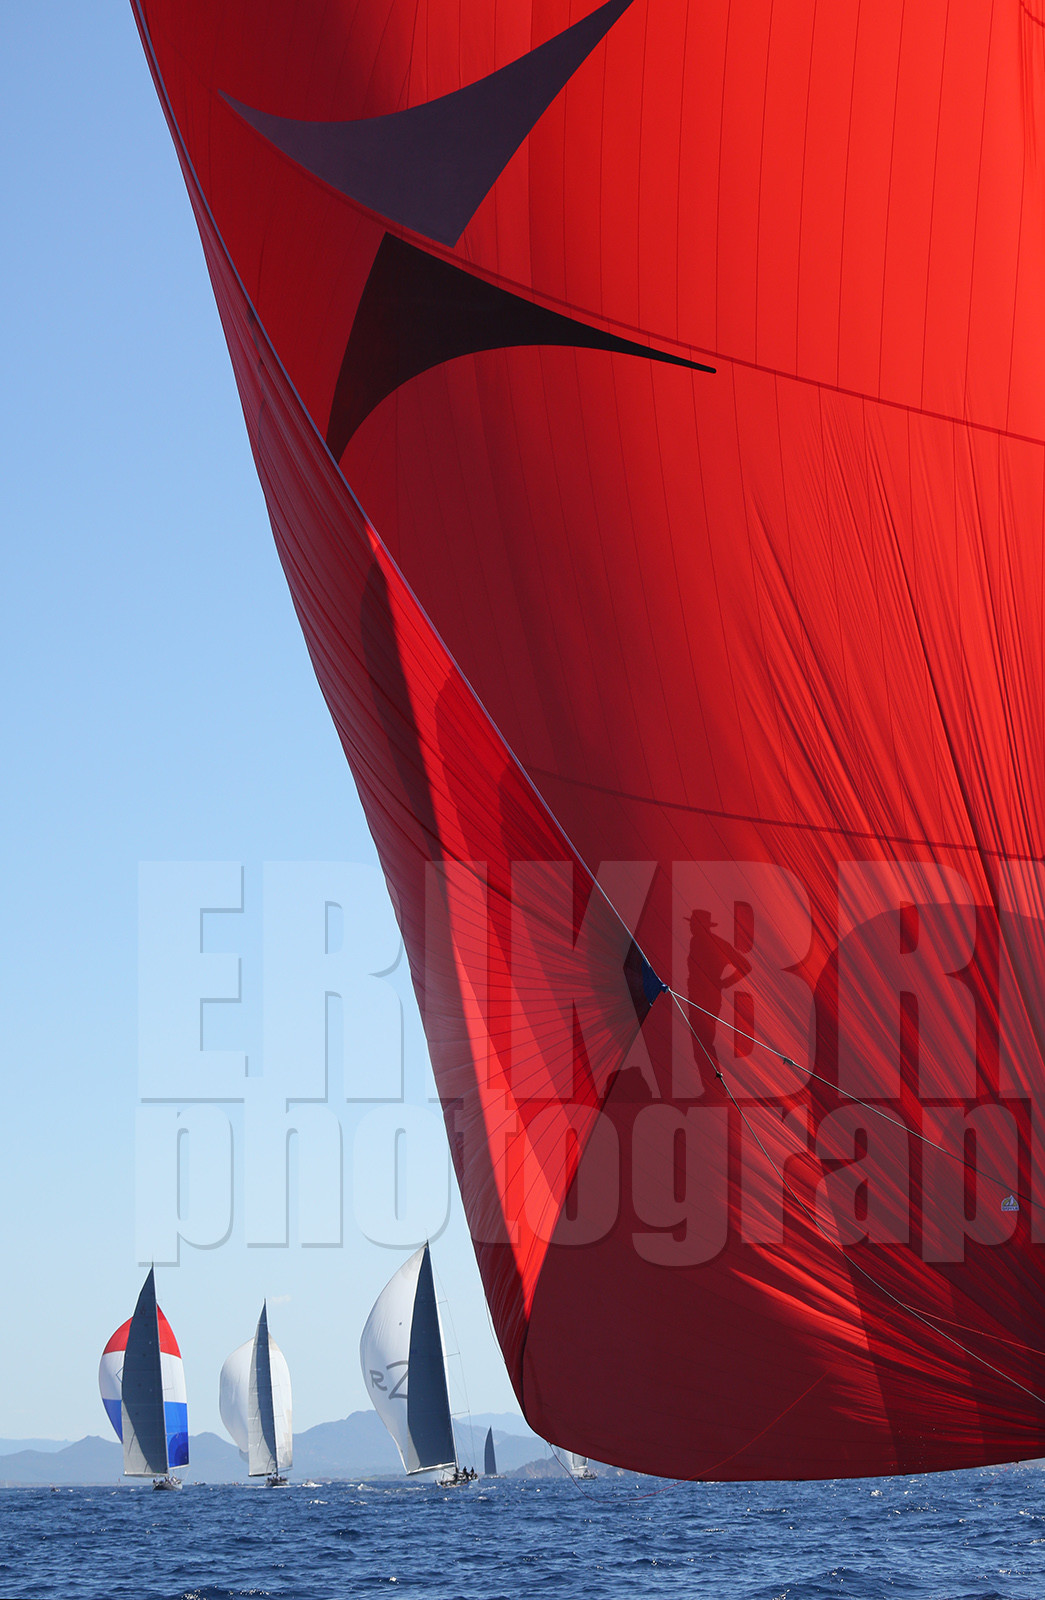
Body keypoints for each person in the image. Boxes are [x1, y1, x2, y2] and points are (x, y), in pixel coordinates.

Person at [686, 908, 752, 1074]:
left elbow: (745, 966)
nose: (691, 927)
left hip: (707, 999)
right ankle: (711, 1086)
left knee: (703, 1042)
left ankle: (714, 1086)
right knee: (699, 1043)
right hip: (696, 997)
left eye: (693, 923)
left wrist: (723, 983)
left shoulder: (716, 944)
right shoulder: (695, 942)